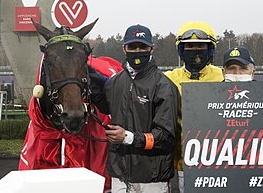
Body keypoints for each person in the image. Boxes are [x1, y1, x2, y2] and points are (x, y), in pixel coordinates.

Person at [92, 24, 179, 193]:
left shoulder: (164, 86)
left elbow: (166, 138)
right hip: (120, 176)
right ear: (124, 49)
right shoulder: (114, 82)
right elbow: (103, 107)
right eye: (132, 47)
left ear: (151, 48)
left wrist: (127, 137)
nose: (137, 51)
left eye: (142, 46)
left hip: (153, 179)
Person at [164, 21, 224, 193]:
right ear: (181, 50)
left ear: (210, 48)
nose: (195, 50)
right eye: (189, 46)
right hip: (183, 162)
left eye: (201, 45)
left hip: (219, 159)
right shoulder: (168, 79)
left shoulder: (224, 77)